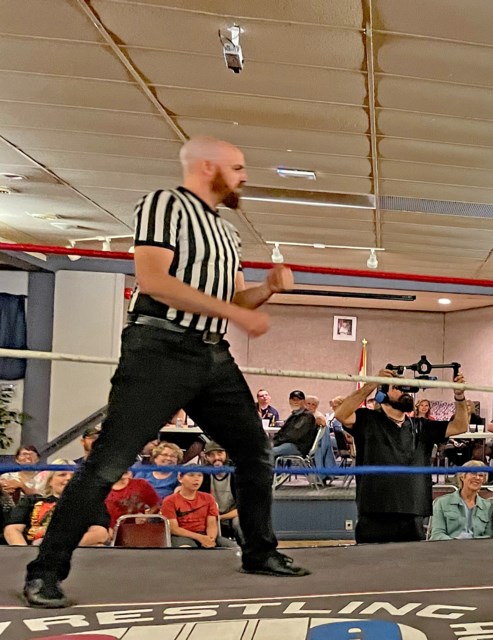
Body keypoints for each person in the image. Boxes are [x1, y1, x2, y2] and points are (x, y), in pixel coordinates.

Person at [23, 136, 308, 610]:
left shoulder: (228, 233)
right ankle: (45, 571)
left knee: (255, 452)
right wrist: (237, 312)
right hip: (159, 348)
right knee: (108, 463)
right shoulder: (164, 205)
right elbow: (155, 281)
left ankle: (260, 552)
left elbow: (234, 301)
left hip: (213, 354)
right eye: (236, 167)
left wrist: (268, 291)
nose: (243, 176)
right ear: (207, 167)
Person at [334, 367, 470, 543]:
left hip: (412, 513)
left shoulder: (422, 426)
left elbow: (460, 426)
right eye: (397, 387)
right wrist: (373, 383)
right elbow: (341, 414)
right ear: (382, 394)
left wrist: (459, 396)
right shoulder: (367, 419)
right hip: (375, 512)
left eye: (406, 387)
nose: (405, 392)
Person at [5, 462, 109, 548]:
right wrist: (24, 553)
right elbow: (12, 529)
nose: (68, 478)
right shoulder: (31, 501)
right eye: (62, 475)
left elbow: (100, 534)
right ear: (50, 481)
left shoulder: (93, 503)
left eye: (74, 476)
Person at [162, 470, 236, 548]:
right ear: (180, 478)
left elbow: (212, 524)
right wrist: (200, 538)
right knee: (187, 550)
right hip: (182, 536)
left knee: (234, 549)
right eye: (191, 475)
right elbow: (174, 529)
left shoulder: (209, 498)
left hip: (206, 535)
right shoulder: (169, 501)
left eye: (199, 475)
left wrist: (211, 539)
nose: (196, 479)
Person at [429, 460, 493, 540]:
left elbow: (489, 536)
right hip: (449, 548)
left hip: (478, 549)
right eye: (473, 473)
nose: (477, 478)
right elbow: (437, 535)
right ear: (462, 476)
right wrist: (456, 544)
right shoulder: (442, 503)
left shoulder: (488, 507)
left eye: (481, 475)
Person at [199, 441, 243, 543]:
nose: (216, 458)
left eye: (220, 453)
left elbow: (244, 507)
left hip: (233, 514)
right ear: (206, 457)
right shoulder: (202, 474)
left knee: (241, 524)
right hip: (209, 515)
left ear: (226, 454)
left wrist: (220, 517)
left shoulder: (237, 473)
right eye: (212, 455)